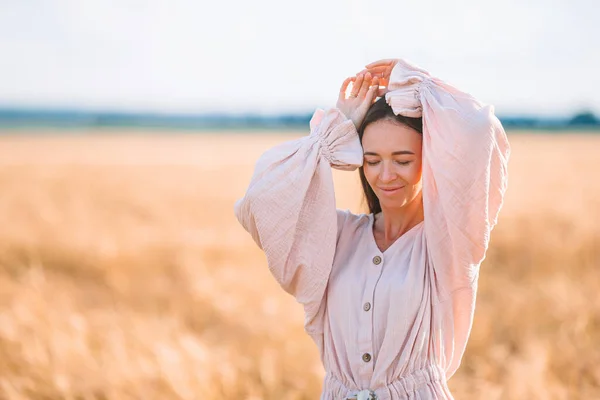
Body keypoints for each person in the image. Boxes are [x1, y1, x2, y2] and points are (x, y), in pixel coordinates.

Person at [234, 58, 510, 400]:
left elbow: (478, 130)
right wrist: (332, 134)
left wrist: (419, 86)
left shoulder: (450, 240)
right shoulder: (337, 236)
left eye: (403, 160)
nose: (386, 175)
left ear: (431, 160)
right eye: (372, 160)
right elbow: (259, 202)